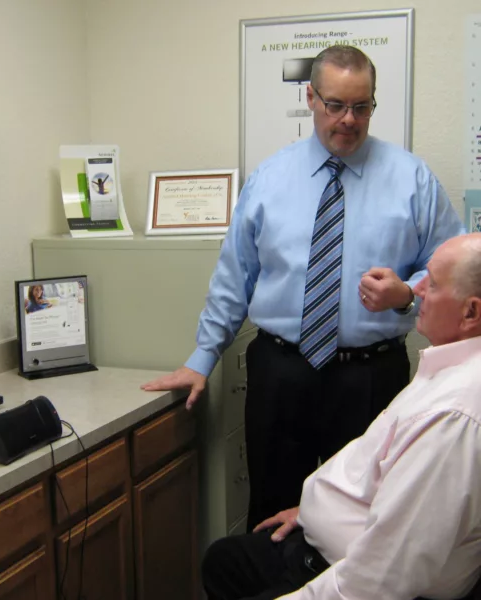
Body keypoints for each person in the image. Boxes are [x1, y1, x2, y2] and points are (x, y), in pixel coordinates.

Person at [142, 45, 465, 530]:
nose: (349, 120)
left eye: (362, 106)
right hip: (280, 375)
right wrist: (201, 358)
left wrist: (408, 293)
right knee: (272, 517)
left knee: (362, 521)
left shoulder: (412, 180)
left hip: (371, 379)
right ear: (311, 97)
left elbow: (454, 268)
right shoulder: (270, 179)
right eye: (335, 105)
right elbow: (234, 277)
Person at [201, 233, 481, 600]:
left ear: (471, 312)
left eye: (433, 282)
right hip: (332, 538)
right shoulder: (448, 370)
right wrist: (318, 511)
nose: (417, 290)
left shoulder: (454, 415)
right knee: (224, 560)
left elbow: (381, 577)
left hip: (350, 576)